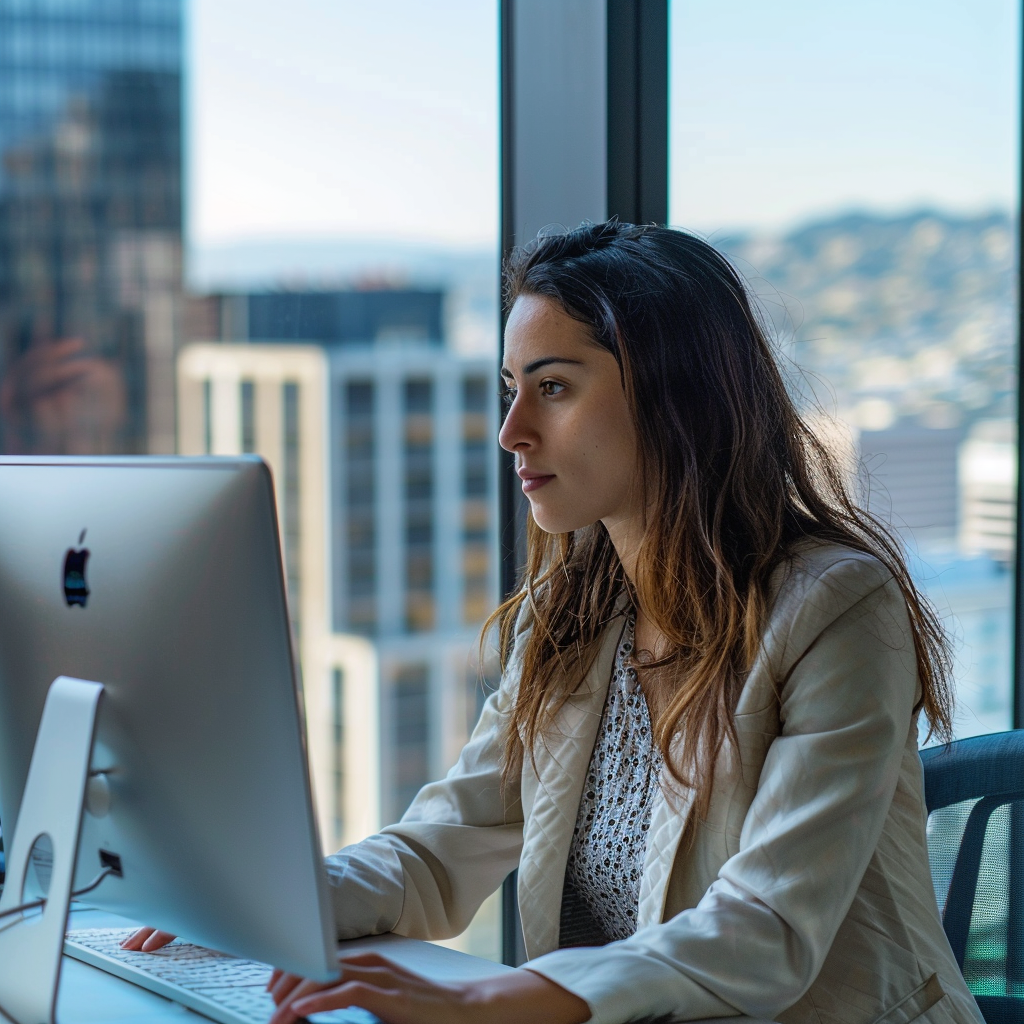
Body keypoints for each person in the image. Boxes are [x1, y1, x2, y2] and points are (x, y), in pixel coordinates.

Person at [125, 221, 983, 1024]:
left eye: (554, 389)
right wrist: (260, 898)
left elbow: (766, 927)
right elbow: (440, 847)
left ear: (674, 398)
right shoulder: (570, 617)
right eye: (510, 391)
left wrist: (495, 1001)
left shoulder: (835, 607)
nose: (511, 432)